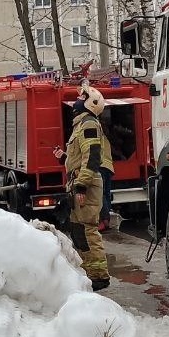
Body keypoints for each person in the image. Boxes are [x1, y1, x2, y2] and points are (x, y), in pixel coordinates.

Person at [65, 86, 113, 291]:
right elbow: (80, 157)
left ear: (90, 102)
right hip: (79, 182)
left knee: (88, 229)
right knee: (78, 229)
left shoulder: (88, 124)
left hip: (87, 184)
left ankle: (99, 275)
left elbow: (92, 157)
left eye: (81, 97)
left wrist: (82, 186)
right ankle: (89, 271)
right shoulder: (81, 125)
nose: (77, 99)